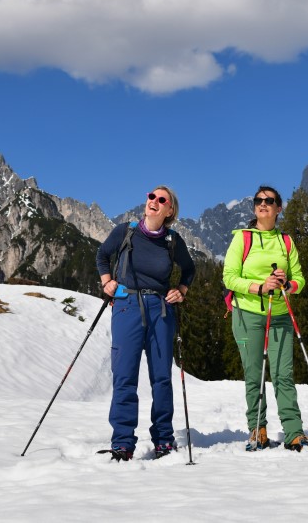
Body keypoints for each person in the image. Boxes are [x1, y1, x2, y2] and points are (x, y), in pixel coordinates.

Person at [96, 185, 196, 462]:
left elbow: (189, 270)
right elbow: (102, 256)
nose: (153, 201)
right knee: (124, 376)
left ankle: (164, 439)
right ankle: (123, 443)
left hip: (161, 310)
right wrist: (107, 282)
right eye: (151, 196)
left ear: (169, 210)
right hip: (127, 305)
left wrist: (182, 290)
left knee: (162, 378)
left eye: (161, 199)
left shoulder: (173, 241)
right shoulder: (125, 232)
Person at [222, 185, 308, 452]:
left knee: (283, 374)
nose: (263, 204)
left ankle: (294, 433)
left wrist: (287, 285)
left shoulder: (286, 242)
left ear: (278, 208)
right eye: (258, 200)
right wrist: (259, 287)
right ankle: (257, 430)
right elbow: (229, 277)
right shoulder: (243, 238)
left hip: (280, 315)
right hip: (247, 314)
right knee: (254, 374)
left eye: (269, 200)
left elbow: (300, 279)